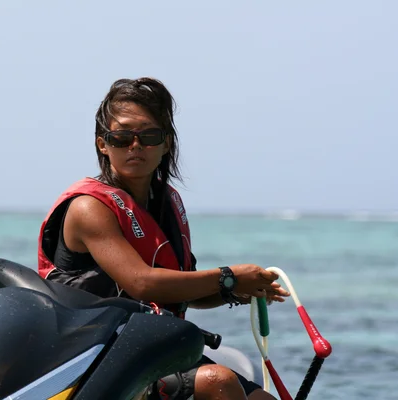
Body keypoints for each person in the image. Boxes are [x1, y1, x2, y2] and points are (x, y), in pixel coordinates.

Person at [37, 77, 290, 400]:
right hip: (96, 359)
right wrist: (228, 276)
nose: (135, 146)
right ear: (103, 144)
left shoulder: (167, 205)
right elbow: (143, 284)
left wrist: (238, 290)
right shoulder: (89, 208)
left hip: (154, 349)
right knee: (218, 382)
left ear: (166, 143)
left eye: (149, 136)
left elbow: (182, 292)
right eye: (122, 137)